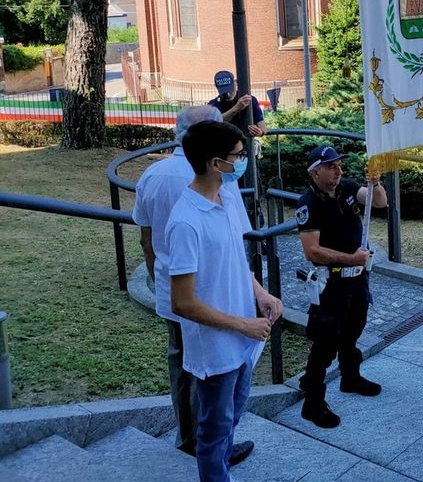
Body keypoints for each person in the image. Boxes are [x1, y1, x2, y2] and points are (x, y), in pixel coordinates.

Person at [133, 105, 255, 466]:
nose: (239, 159)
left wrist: (159, 277)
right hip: (212, 298)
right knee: (214, 373)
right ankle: (213, 444)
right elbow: (237, 243)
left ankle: (190, 436)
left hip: (174, 289)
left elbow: (146, 239)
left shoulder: (153, 176)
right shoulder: (220, 183)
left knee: (183, 364)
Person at [167, 120, 283, 482]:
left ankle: (224, 465)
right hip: (217, 349)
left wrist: (260, 293)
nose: (243, 160)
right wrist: (243, 325)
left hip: (244, 341)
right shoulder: (186, 222)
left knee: (230, 419)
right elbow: (182, 302)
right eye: (238, 155)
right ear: (215, 163)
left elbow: (235, 260)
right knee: (213, 431)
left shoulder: (227, 199)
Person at [296, 145, 388, 429]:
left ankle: (350, 377)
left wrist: (375, 183)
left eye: (338, 164)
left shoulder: (346, 187)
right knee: (325, 343)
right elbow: (312, 251)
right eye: (331, 166)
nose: (338, 170)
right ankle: (313, 402)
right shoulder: (308, 203)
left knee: (352, 331)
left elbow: (380, 202)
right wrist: (351, 258)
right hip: (332, 282)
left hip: (357, 277)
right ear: (315, 172)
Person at [209, 70, 266, 139]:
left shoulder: (250, 100)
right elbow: (216, 123)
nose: (228, 95)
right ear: (216, 87)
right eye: (223, 92)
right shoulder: (214, 104)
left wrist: (260, 132)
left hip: (245, 143)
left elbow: (263, 126)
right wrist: (237, 108)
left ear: (235, 83)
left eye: (230, 90)